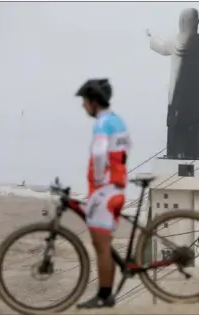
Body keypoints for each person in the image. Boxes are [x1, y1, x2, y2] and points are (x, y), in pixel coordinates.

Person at [75, 79, 131, 309]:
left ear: (94, 101)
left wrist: (98, 179)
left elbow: (99, 153)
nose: (83, 106)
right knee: (103, 244)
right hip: (116, 186)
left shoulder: (103, 123)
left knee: (101, 246)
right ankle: (105, 294)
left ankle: (104, 296)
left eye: (84, 102)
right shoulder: (117, 120)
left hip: (105, 190)